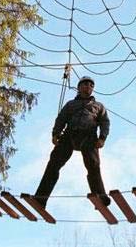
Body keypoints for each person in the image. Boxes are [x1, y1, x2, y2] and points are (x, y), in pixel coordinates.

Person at [34, 76, 111, 208]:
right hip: (70, 135)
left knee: (93, 165)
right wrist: (56, 133)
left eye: (91, 85)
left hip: (89, 136)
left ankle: (99, 196)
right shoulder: (71, 104)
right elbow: (61, 118)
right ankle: (41, 198)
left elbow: (105, 122)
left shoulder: (98, 106)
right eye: (85, 84)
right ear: (79, 87)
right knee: (54, 163)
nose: (88, 87)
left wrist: (102, 138)